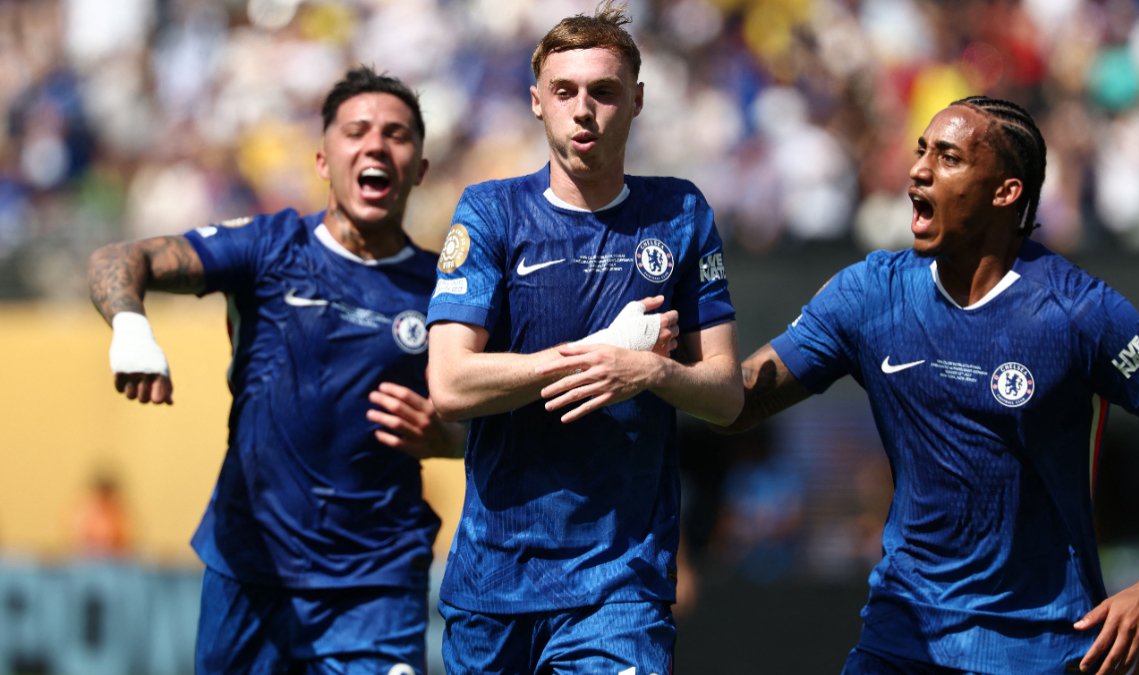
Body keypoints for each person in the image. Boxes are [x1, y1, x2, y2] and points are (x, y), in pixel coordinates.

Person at [720, 95, 1139, 674]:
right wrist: (653, 367)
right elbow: (740, 399)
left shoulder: (1078, 312)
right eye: (921, 150)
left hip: (1042, 646)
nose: (919, 169)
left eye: (948, 157)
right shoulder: (871, 293)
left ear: (1005, 192)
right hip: (904, 636)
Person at [87, 65, 461, 675]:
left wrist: (450, 438)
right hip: (251, 568)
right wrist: (130, 326)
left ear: (419, 168)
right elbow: (121, 257)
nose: (375, 144)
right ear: (322, 159)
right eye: (357, 130)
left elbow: (497, 423)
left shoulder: (445, 291)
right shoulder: (269, 248)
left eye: (396, 134)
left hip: (376, 584)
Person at [423, 2, 742, 672]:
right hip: (494, 577)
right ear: (537, 102)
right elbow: (450, 384)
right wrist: (600, 355)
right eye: (564, 92)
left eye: (603, 91)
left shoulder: (681, 211)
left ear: (637, 100)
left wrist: (652, 374)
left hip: (619, 582)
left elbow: (725, 394)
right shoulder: (490, 211)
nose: (583, 109)